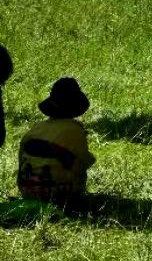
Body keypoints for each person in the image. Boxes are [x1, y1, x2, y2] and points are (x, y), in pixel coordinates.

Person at [18, 77, 95, 205]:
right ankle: (75, 196)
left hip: (27, 190)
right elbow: (85, 161)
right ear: (76, 107)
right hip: (59, 195)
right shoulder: (75, 131)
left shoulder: (37, 128)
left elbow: (21, 156)